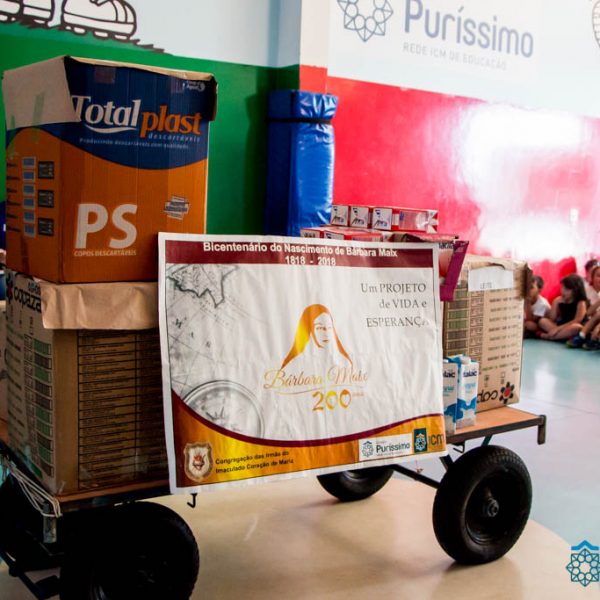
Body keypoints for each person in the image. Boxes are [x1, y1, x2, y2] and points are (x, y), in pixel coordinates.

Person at [281, 304, 352, 370]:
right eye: (320, 328)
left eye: (330, 327)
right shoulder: (295, 364)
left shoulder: (344, 362)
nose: (326, 333)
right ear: (309, 330)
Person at [537, 274, 588, 341]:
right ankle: (562, 336)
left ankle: (549, 337)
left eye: (566, 289)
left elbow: (577, 320)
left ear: (575, 290)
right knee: (542, 321)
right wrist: (555, 303)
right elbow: (552, 318)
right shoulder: (559, 300)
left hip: (572, 325)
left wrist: (558, 329)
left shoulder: (581, 302)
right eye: (562, 288)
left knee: (577, 327)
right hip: (562, 325)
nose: (563, 291)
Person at [567, 265, 600, 349]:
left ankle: (590, 338)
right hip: (588, 321)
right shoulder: (586, 291)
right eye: (598, 276)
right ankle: (582, 336)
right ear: (592, 277)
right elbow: (588, 313)